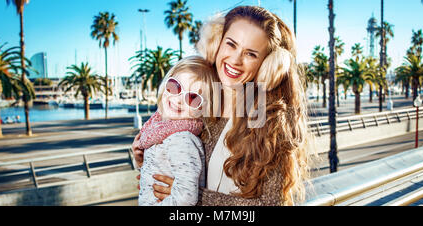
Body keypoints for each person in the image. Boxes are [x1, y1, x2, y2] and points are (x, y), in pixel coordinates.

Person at [133, 6, 316, 206]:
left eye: (251, 54)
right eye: (231, 44)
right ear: (216, 43)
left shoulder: (269, 122)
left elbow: (272, 204)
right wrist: (152, 163)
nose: (235, 60)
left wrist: (198, 198)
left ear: (267, 66)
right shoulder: (196, 103)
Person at [132, 56, 218, 206]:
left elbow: (186, 198)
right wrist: (141, 161)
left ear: (204, 109)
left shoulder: (182, 139)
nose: (178, 99)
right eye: (175, 87)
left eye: (192, 98)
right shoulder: (162, 128)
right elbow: (159, 169)